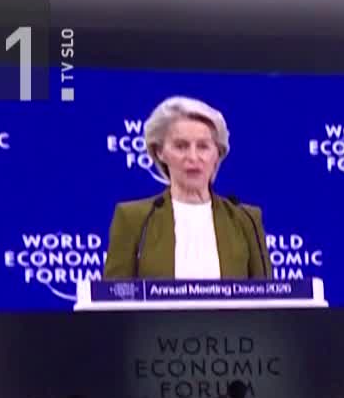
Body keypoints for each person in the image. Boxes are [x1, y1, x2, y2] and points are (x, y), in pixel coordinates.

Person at [102, 96, 268, 280]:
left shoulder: (246, 219)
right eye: (181, 146)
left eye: (203, 146)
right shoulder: (135, 219)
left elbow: (268, 292)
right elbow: (113, 293)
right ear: (160, 152)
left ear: (217, 153)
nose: (193, 157)